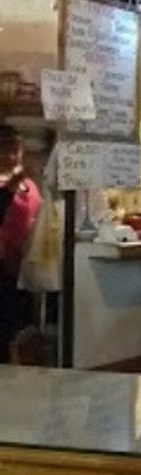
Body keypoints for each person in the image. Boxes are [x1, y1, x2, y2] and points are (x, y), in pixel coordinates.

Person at [0, 126, 40, 361]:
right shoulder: (14, 184)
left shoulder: (27, 184)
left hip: (23, 266)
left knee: (14, 331)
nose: (11, 155)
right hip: (3, 268)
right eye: (5, 148)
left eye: (15, 148)